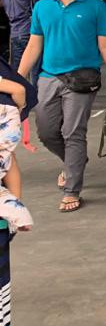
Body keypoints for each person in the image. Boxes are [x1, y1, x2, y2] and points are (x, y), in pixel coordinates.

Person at [17, 0, 106, 212]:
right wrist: (19, 79)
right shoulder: (43, 7)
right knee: (46, 131)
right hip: (48, 76)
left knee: (73, 133)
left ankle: (72, 189)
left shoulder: (96, 7)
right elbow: (34, 45)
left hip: (82, 79)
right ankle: (73, 160)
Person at [0, 60, 35, 233]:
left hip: (5, 120)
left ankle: (16, 212)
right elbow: (19, 91)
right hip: (10, 121)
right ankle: (17, 208)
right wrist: (20, 108)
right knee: (8, 159)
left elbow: (19, 89)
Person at [2, 0, 42, 81]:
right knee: (35, 65)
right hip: (29, 31)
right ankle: (34, 94)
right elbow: (39, 8)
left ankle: (17, 93)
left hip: (14, 33)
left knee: (17, 67)